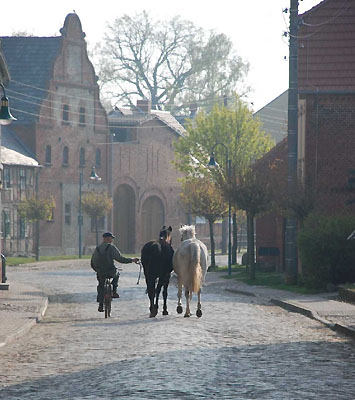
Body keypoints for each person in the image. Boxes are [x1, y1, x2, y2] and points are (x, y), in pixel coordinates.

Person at [91, 232, 139, 312]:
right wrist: (132, 260)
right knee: (117, 274)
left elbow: (93, 261)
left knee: (101, 286)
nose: (112, 240)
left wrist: (97, 270)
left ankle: (100, 304)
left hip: (101, 272)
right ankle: (114, 291)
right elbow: (120, 259)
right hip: (111, 271)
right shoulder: (111, 247)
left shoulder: (98, 248)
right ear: (107, 238)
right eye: (111, 238)